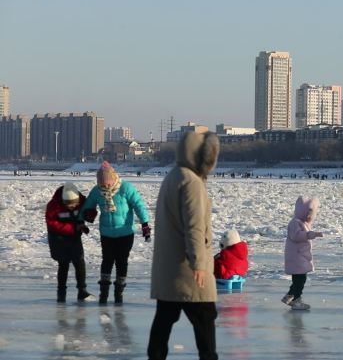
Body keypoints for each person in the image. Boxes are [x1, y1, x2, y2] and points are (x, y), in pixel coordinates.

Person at [148, 132, 220, 360]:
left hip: (169, 269)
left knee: (164, 319)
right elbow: (195, 227)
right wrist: (199, 263)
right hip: (188, 270)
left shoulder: (173, 176)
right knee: (205, 319)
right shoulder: (192, 182)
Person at [81, 161, 151, 305]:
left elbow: (138, 205)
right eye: (102, 184)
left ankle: (119, 289)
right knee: (107, 260)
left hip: (125, 232)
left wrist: (145, 223)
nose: (105, 187)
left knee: (121, 260)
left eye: (107, 184)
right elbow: (87, 206)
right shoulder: (96, 191)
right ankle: (104, 289)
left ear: (113, 179)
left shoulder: (126, 188)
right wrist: (83, 218)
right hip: (106, 232)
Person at [45, 183, 97, 302]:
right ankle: (61, 291)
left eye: (74, 204)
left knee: (79, 261)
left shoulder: (82, 201)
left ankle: (82, 291)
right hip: (58, 238)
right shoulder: (53, 206)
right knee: (63, 264)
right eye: (68, 204)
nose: (72, 207)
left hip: (74, 238)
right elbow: (52, 224)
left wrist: (89, 215)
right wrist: (74, 228)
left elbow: (90, 211)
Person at [282, 196, 323, 310]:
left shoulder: (301, 222)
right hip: (296, 257)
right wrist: (311, 234)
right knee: (299, 279)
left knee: (299, 279)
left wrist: (312, 233)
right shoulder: (295, 222)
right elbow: (296, 236)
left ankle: (289, 296)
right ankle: (296, 300)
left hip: (299, 256)